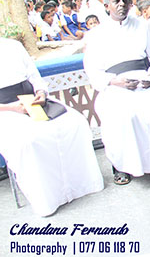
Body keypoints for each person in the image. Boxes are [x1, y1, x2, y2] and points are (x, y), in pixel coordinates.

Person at [83, 0, 150, 185]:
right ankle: (123, 166)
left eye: (124, 0)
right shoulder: (95, 35)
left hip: (144, 80)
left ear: (130, 3)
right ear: (106, 5)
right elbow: (92, 69)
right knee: (125, 117)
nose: (121, 4)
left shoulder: (143, 26)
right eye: (116, 1)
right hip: (115, 84)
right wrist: (113, 81)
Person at [0, 37, 103, 216]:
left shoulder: (13, 46)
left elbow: (33, 76)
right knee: (29, 140)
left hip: (31, 101)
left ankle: (83, 185)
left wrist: (40, 92)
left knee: (75, 122)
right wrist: (12, 108)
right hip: (5, 111)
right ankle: (47, 198)